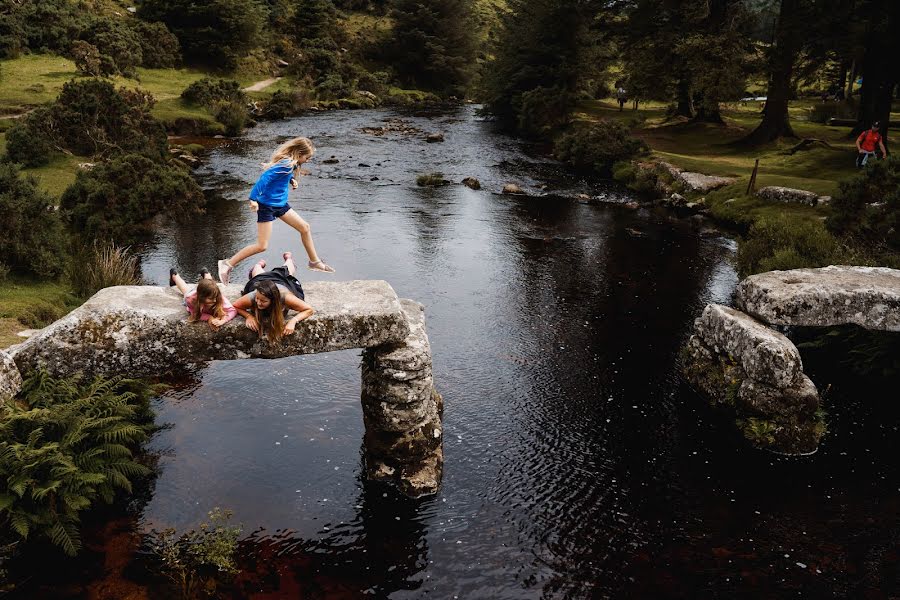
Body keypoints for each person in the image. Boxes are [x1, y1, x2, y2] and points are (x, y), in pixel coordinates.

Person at [217, 137, 334, 285]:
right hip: (267, 206)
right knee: (262, 245)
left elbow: (280, 176)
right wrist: (253, 199)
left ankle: (314, 262)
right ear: (299, 153)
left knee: (305, 228)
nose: (308, 160)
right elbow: (264, 179)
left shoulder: (290, 165)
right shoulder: (285, 164)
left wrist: (291, 180)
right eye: (307, 157)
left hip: (280, 204)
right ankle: (227, 264)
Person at [232, 252, 315, 344]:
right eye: (257, 299)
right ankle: (259, 265)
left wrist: (293, 321)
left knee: (287, 271)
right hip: (262, 282)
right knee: (257, 275)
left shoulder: (285, 297)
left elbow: (309, 309)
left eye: (263, 301)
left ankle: (288, 258)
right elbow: (235, 306)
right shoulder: (254, 295)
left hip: (282, 281)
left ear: (273, 300)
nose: (258, 303)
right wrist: (248, 316)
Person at [169, 268, 237, 330]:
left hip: (206, 291)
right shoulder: (190, 299)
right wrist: (209, 317)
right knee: (185, 289)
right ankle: (174, 275)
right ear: (201, 297)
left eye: (215, 297)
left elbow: (233, 310)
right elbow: (194, 313)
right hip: (192, 293)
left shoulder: (218, 297)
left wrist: (223, 320)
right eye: (211, 299)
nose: (215, 300)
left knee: (210, 283)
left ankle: (206, 273)